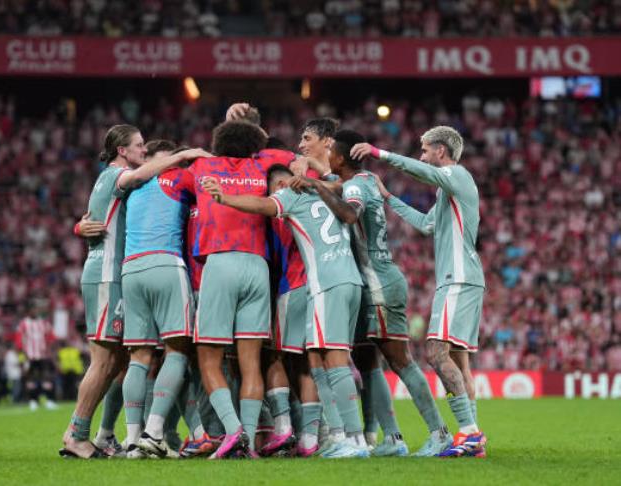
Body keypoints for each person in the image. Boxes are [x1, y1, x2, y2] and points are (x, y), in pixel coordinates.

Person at [294, 129, 451, 457]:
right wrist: (317, 174)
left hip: (378, 283)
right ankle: (393, 438)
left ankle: (439, 433)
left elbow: (349, 212)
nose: (330, 158)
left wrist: (316, 184)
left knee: (399, 360)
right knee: (370, 360)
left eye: (333, 153)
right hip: (373, 282)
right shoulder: (363, 178)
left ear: (341, 155)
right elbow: (338, 184)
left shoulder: (355, 186)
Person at [202, 164, 370, 459]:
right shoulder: (325, 195)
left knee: (334, 360)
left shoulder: (291, 196)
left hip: (325, 283)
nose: (278, 189)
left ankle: (354, 440)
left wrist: (225, 197)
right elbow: (344, 196)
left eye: (280, 184)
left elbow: (261, 205)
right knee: (318, 360)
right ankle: (339, 436)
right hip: (351, 280)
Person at [351, 125, 487, 458]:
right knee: (457, 360)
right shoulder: (448, 191)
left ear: (441, 151)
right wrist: (389, 199)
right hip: (462, 278)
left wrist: (379, 153)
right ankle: (471, 437)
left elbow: (423, 172)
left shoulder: (458, 174)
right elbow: (427, 225)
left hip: (458, 278)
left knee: (436, 354)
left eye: (425, 149)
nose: (422, 155)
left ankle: (469, 432)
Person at [186, 120, 299, 459]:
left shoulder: (202, 165)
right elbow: (291, 156)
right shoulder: (262, 165)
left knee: (209, 357)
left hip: (220, 263)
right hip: (257, 266)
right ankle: (248, 440)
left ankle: (233, 431)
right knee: (251, 362)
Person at [118, 144, 212, 459]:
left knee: (139, 357)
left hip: (130, 270)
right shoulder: (177, 177)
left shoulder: (132, 186)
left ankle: (131, 440)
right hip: (165, 264)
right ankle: (154, 432)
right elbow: (214, 178)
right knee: (178, 349)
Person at [17, 305, 58, 412]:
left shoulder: (43, 323)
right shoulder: (23, 324)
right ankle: (33, 401)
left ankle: (48, 401)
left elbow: (51, 337)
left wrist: (51, 350)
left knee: (46, 378)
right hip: (30, 356)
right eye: (33, 309)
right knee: (31, 379)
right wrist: (22, 354)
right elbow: (19, 340)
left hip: (43, 355)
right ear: (28, 311)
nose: (35, 311)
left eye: (36, 309)